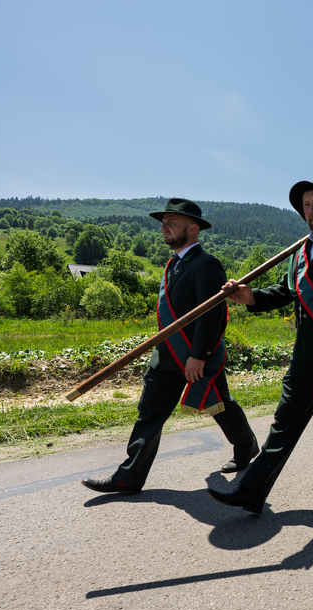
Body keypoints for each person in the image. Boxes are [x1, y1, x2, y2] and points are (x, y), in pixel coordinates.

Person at [206, 177, 313, 514]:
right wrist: (251, 296)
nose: (311, 210)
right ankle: (252, 490)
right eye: (306, 205)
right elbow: (286, 292)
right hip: (304, 356)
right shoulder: (299, 253)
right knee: (283, 424)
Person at [81, 199, 258, 495]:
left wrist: (198, 355)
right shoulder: (171, 265)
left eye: (171, 223)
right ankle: (128, 477)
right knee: (149, 413)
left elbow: (212, 314)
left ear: (192, 228)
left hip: (193, 356)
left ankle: (246, 446)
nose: (164, 227)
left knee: (219, 404)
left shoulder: (206, 264)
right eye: (163, 222)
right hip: (165, 358)